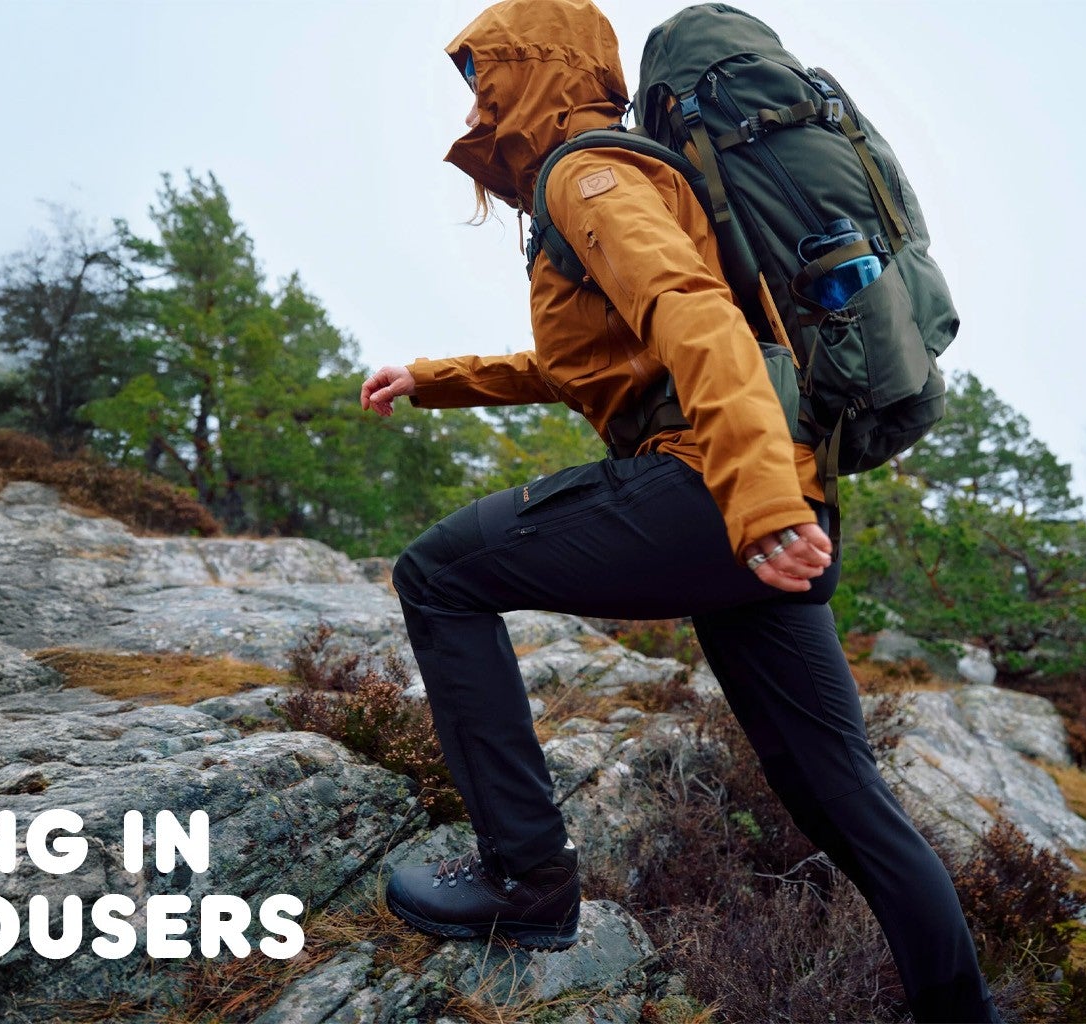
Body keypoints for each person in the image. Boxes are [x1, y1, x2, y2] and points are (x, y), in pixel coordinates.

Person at [356, 1, 1002, 1020]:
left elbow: (695, 322)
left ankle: (525, 880)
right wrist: (434, 377)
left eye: (488, 73)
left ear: (539, 70)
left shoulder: (587, 173)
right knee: (846, 805)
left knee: (436, 575)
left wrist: (756, 509)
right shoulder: (615, 178)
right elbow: (599, 359)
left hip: (718, 494)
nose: (476, 97)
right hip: (768, 495)